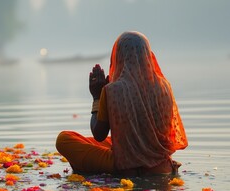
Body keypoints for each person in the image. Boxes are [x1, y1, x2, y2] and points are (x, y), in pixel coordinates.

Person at [55, 31, 188, 176]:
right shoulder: (164, 87)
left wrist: (97, 97)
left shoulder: (113, 90)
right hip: (160, 165)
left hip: (125, 166)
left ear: (118, 57)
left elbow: (99, 134)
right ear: (147, 55)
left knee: (64, 140)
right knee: (114, 140)